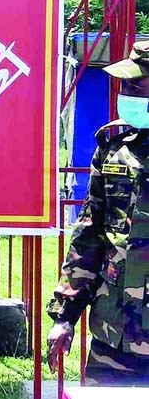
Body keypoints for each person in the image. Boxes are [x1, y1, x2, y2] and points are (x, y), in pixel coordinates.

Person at [46, 40, 149, 385]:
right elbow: (89, 237)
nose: (126, 92)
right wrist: (65, 316)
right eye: (126, 85)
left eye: (135, 85)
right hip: (113, 336)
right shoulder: (113, 148)